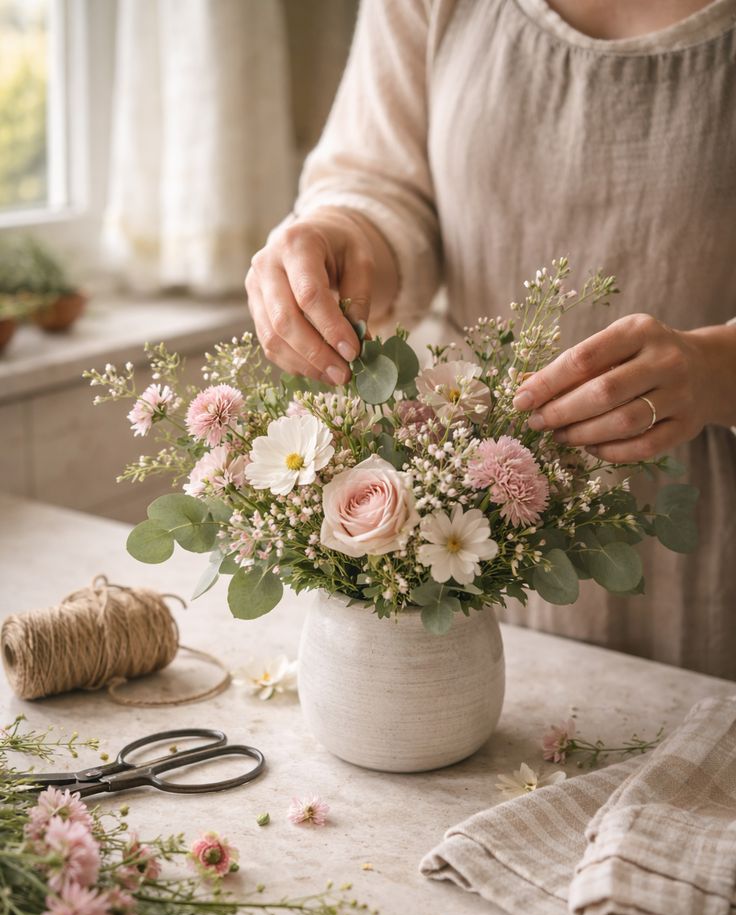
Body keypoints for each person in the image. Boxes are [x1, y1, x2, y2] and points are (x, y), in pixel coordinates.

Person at [245, 0, 736, 680]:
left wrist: (717, 368)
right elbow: (383, 182)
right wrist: (339, 240)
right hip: (472, 521)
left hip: (714, 541)